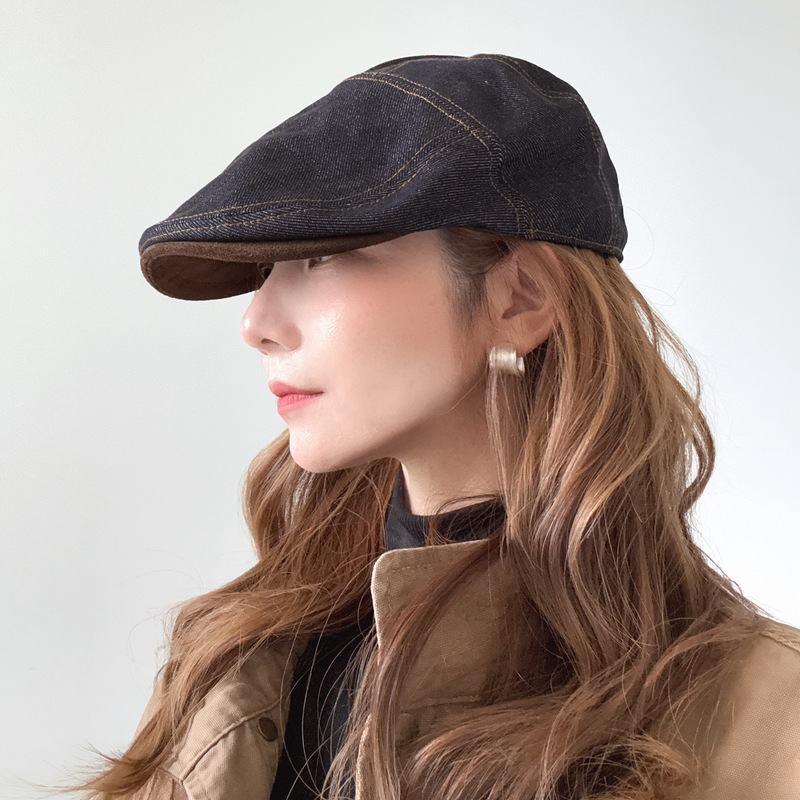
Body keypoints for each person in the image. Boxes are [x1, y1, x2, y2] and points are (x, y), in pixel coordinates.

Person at [74, 54, 800, 800]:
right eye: (265, 270)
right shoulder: (232, 662)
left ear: (520, 299)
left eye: (320, 256)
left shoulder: (775, 721)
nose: (255, 323)